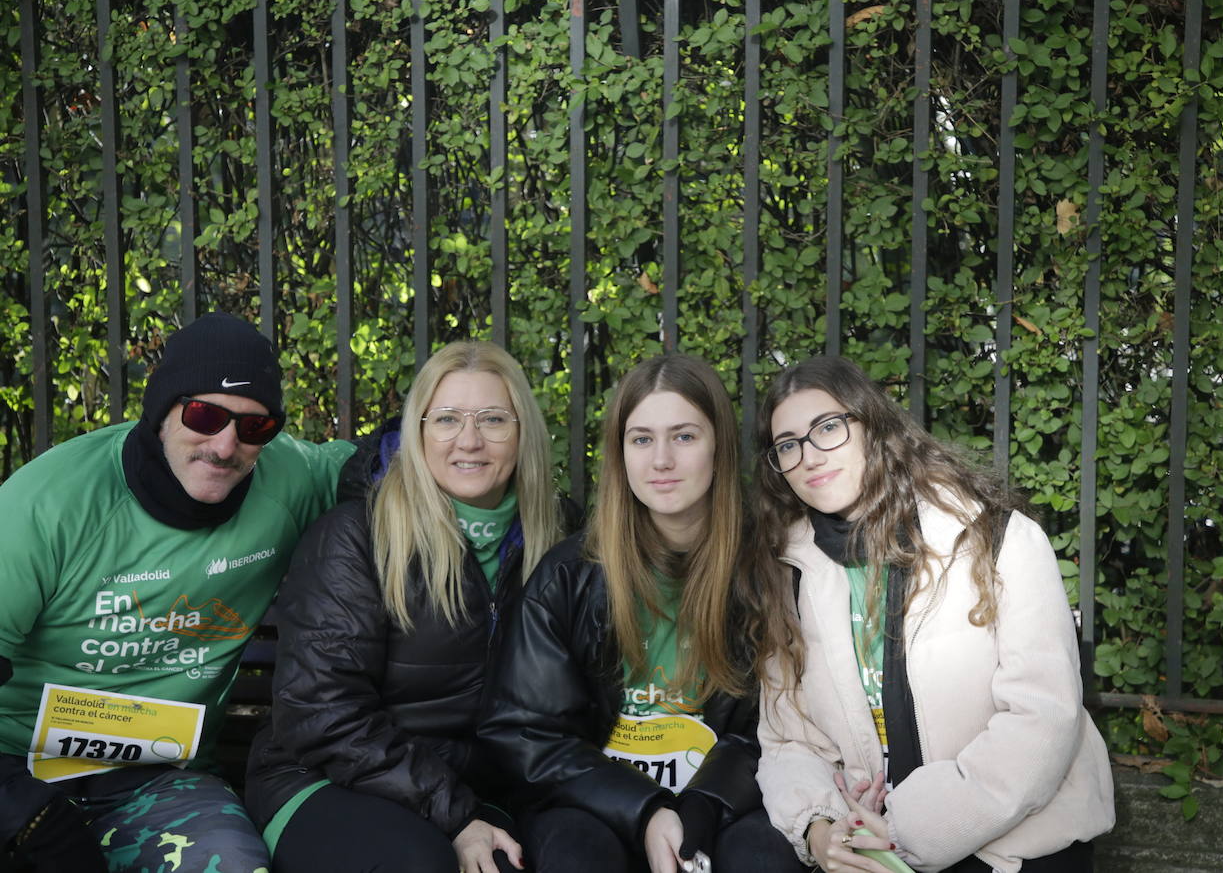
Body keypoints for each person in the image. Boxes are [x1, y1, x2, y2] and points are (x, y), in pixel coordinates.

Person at [0, 312, 359, 873]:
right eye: (204, 414)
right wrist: (22, 812)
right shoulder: (47, 505)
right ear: (161, 409)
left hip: (161, 781)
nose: (225, 445)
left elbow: (389, 464)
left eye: (255, 427)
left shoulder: (288, 478)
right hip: (18, 768)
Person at [750, 356, 1115, 873]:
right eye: (788, 444)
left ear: (871, 427)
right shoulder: (790, 571)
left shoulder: (995, 539)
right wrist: (819, 827)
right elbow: (789, 739)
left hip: (1013, 842)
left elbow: (1042, 719)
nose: (809, 456)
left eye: (827, 428)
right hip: (868, 843)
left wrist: (911, 826)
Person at [244, 340, 568, 873]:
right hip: (321, 778)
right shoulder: (357, 537)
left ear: (523, 432)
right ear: (418, 434)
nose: (469, 440)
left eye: (493, 419)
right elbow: (323, 714)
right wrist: (456, 816)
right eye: (445, 419)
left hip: (466, 786)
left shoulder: (553, 536)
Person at [478, 354, 803, 873]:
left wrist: (700, 806)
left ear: (718, 445)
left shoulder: (768, 568)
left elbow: (777, 729)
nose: (662, 460)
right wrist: (645, 808)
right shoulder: (569, 574)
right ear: (620, 454)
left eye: (685, 436)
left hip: (726, 796)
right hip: (593, 800)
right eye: (642, 439)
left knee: (763, 860)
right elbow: (527, 732)